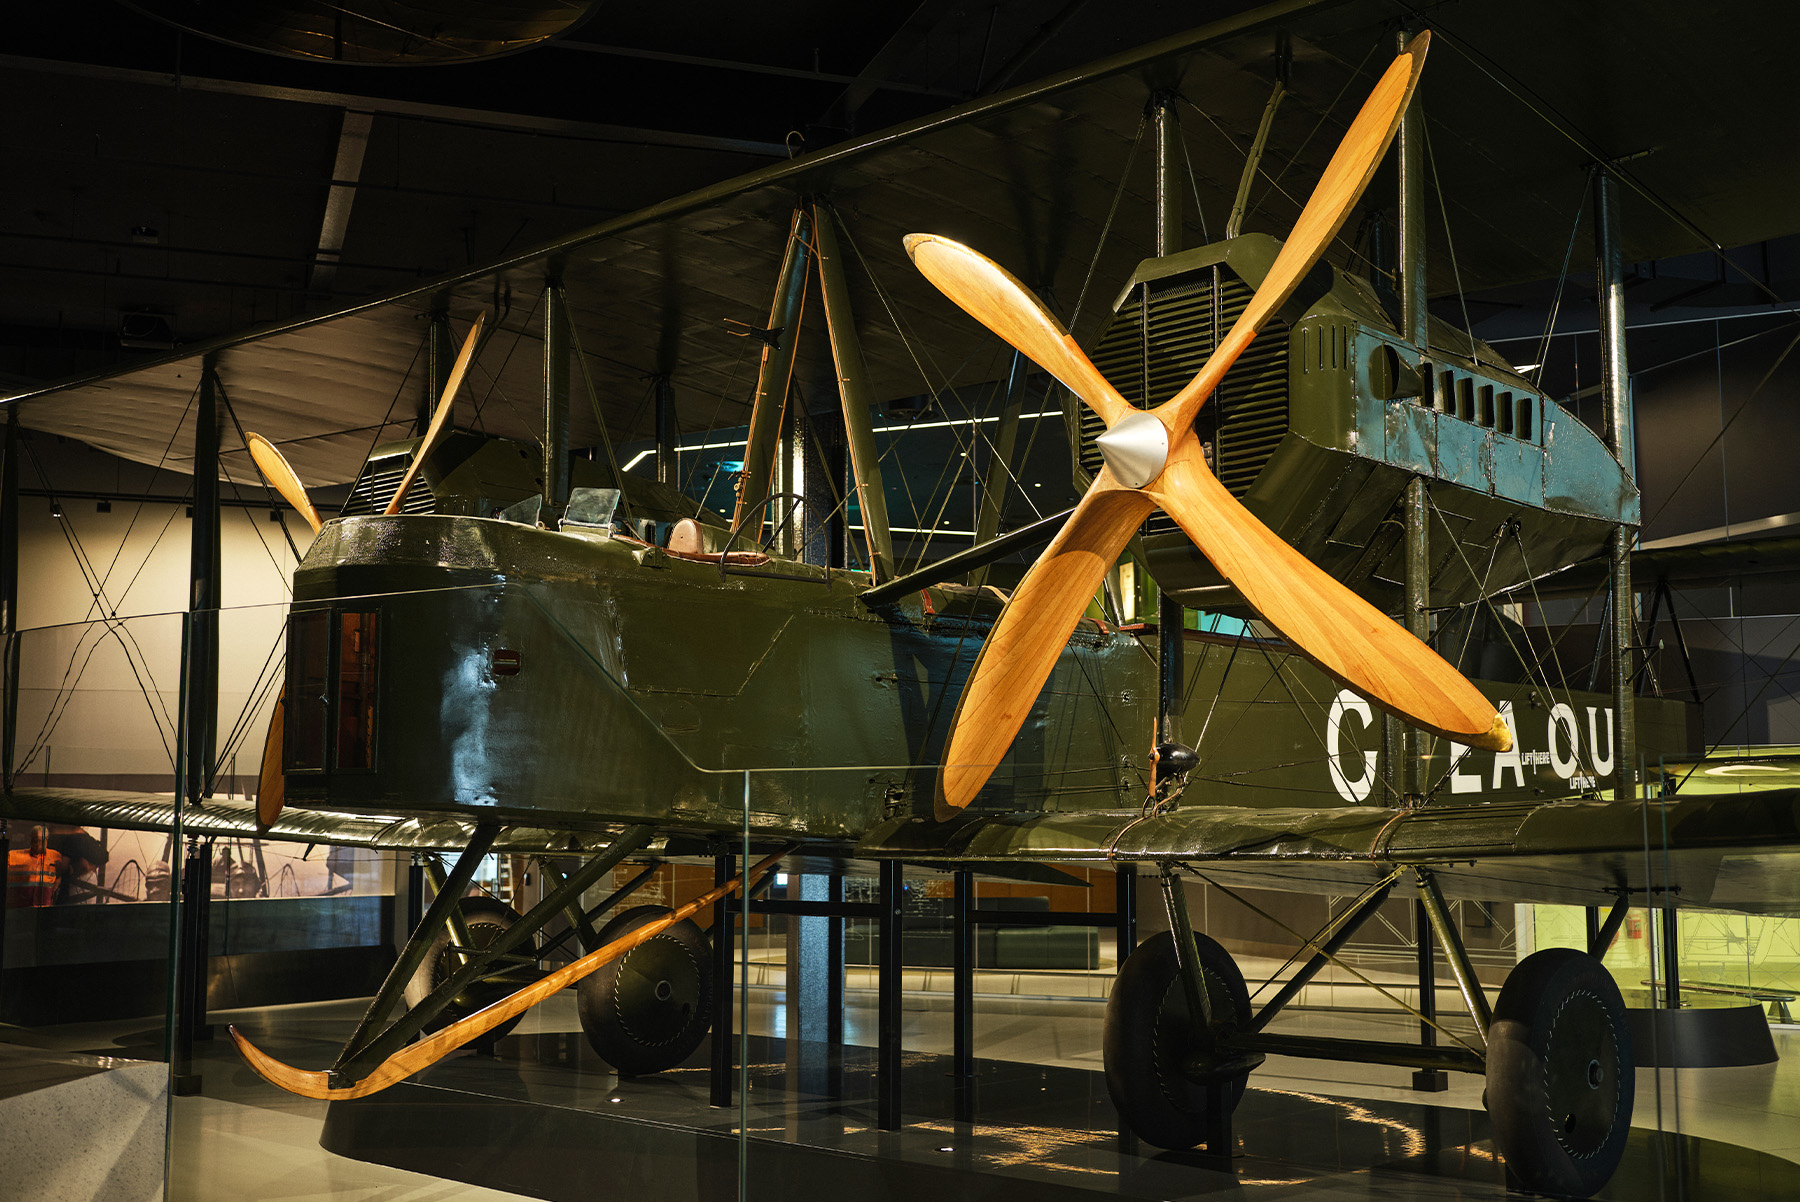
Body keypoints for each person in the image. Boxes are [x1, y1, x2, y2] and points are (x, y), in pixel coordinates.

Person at [7, 825, 66, 908]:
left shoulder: (55, 856)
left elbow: (60, 874)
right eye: (36, 840)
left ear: (47, 841)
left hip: (44, 906)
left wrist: (54, 889)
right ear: (31, 840)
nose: (39, 844)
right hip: (19, 907)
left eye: (42, 840)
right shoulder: (13, 856)